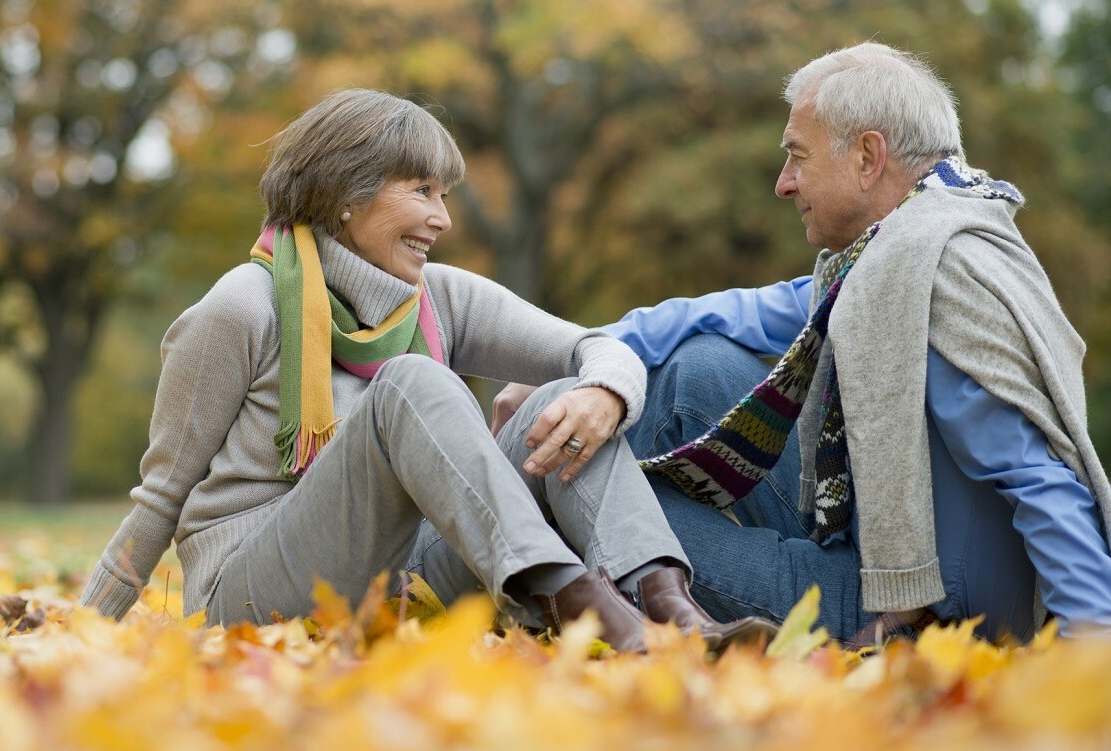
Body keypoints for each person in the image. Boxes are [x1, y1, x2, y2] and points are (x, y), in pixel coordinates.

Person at [78, 88, 776, 651]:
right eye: (421, 190)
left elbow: (603, 343)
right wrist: (81, 629)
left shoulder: (437, 296)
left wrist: (602, 393)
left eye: (444, 194)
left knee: (558, 398)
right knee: (411, 383)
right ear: (344, 193)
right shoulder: (241, 307)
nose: (441, 218)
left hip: (406, 576)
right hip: (254, 591)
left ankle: (667, 607)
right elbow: (162, 491)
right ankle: (587, 608)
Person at [497, 42, 1111, 644]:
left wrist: (1091, 652)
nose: (783, 184)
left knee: (582, 470)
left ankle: (474, 580)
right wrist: (581, 361)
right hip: (860, 549)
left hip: (917, 617)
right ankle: (507, 550)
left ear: (869, 156)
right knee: (697, 364)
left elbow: (1037, 476)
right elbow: (734, 312)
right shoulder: (884, 266)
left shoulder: (937, 282)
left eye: (798, 156)